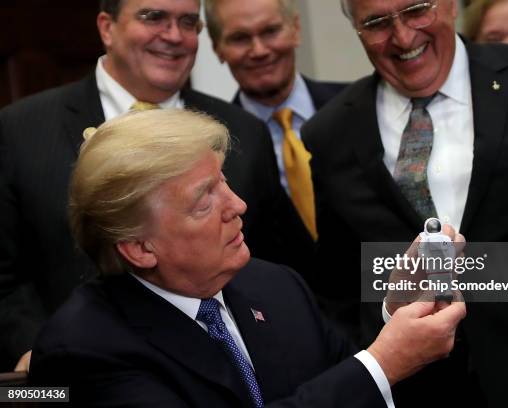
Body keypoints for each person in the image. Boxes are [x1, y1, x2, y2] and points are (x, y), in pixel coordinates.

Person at [29, 109, 466, 407]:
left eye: (223, 182)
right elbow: (366, 375)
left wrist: (402, 312)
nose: (237, 205)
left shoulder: (274, 287)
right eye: (204, 201)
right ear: (140, 248)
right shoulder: (85, 348)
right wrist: (383, 362)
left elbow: (357, 385)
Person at [301, 0, 508, 406]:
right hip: (419, 389)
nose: (403, 37)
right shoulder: (330, 133)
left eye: (415, 10)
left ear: (449, 4)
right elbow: (341, 285)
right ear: (356, 28)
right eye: (376, 22)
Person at [0, 0, 291, 373]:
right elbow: (6, 275)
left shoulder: (244, 131)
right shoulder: (21, 129)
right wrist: (35, 353)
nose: (173, 36)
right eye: (153, 17)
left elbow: (279, 259)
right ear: (107, 28)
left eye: (188, 22)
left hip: (224, 374)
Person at [204, 0, 346, 270]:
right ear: (217, 48)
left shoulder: (357, 110)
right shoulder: (211, 151)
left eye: (270, 31)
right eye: (240, 38)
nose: (259, 50)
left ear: (295, 29)